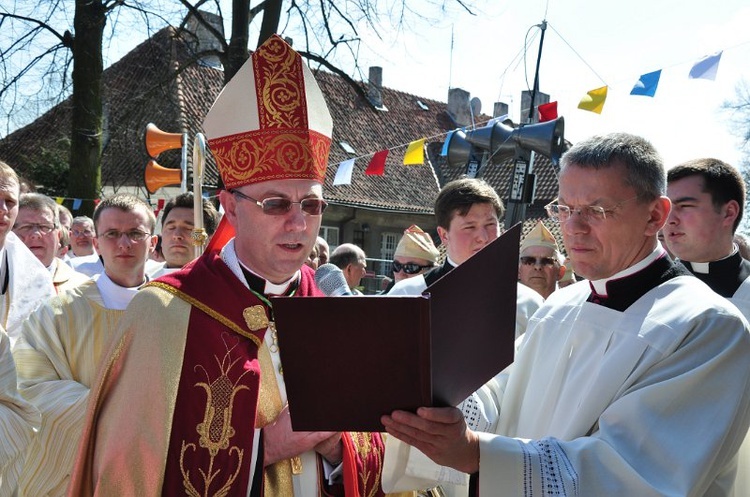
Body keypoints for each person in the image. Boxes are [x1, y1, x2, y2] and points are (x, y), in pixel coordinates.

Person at [68, 35, 387, 497]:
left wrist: (341, 450)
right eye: (276, 203)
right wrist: (265, 446)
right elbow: (126, 470)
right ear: (231, 208)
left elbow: (375, 452)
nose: (299, 223)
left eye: (312, 205)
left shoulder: (334, 314)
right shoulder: (164, 313)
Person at [380, 133, 750, 496]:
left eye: (596, 210)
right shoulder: (560, 305)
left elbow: (633, 474)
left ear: (655, 215)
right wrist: (438, 399)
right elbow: (500, 394)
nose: (573, 227)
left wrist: (478, 452)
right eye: (565, 209)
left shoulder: (708, 326)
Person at [12, 193, 157, 496]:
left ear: (153, 243)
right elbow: (30, 384)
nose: (124, 244)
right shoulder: (57, 313)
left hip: (151, 461)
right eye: (112, 234)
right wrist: (114, 414)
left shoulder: (174, 312)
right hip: (75, 463)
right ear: (97, 243)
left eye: (135, 233)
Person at [664, 157, 750, 497]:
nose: (669, 219)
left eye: (685, 206)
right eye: (666, 206)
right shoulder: (644, 295)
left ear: (728, 212)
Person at [388, 178, 543, 339]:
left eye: (490, 225)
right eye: (470, 227)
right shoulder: (407, 295)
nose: (482, 237)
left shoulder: (528, 304)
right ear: (444, 235)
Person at [0, 161, 53, 495]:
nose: (3, 210)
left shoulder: (36, 277)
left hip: (14, 422)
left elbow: (42, 357)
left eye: (10, 201)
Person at [14, 193, 89, 294]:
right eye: (26, 227)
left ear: (58, 237)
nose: (36, 234)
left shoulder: (84, 289)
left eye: (45, 227)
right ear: (9, 235)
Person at [149, 192, 220, 278]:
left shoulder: (223, 284)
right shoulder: (144, 280)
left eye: (188, 229)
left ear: (210, 238)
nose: (177, 235)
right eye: (171, 228)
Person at [517, 221, 566, 299]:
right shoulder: (504, 308)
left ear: (560, 272)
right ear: (518, 271)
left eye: (546, 261)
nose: (538, 266)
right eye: (529, 261)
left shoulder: (572, 308)